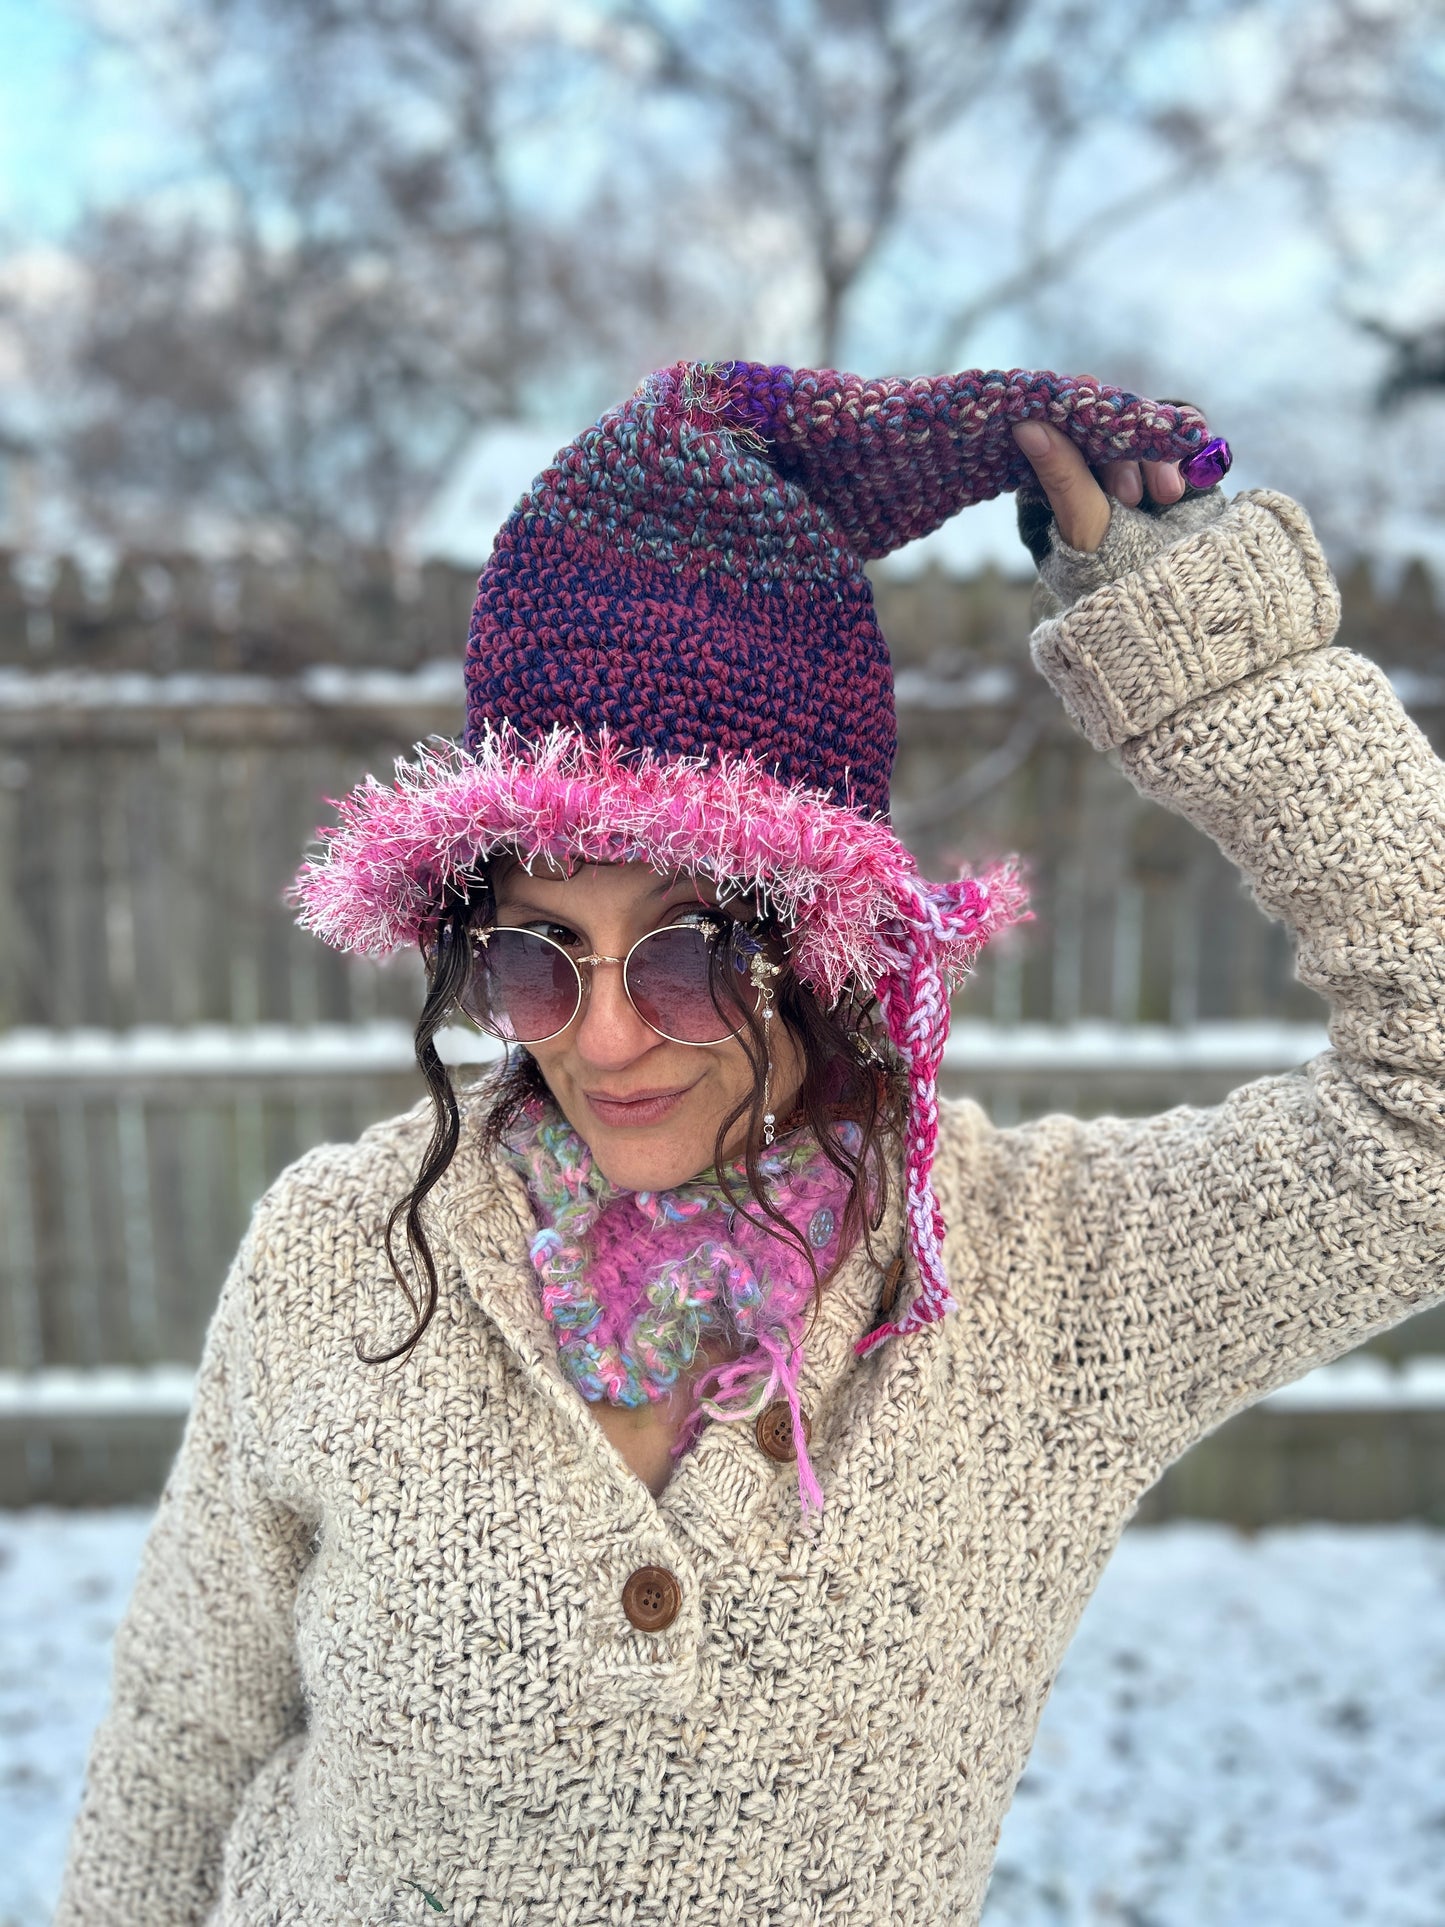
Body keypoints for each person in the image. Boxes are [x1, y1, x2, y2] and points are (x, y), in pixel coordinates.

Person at [56, 361, 1444, 1925]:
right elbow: (182, 1754)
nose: (603, 1038)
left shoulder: (1047, 1291)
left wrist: (1222, 669)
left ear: (819, 936)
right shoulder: (347, 1250)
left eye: (687, 951)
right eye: (532, 958)